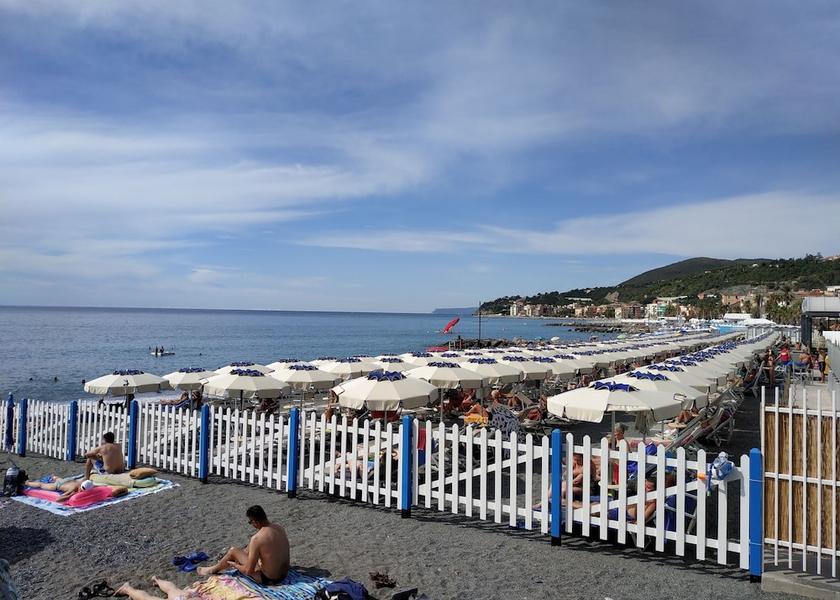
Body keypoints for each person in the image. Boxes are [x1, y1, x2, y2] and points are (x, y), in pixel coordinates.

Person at [197, 505, 290, 585]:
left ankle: (212, 570)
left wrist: (234, 565)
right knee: (248, 549)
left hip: (270, 579)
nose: (251, 524)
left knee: (233, 550)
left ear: (255, 521)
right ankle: (226, 561)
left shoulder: (257, 538)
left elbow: (248, 571)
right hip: (284, 574)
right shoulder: (279, 528)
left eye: (250, 522)